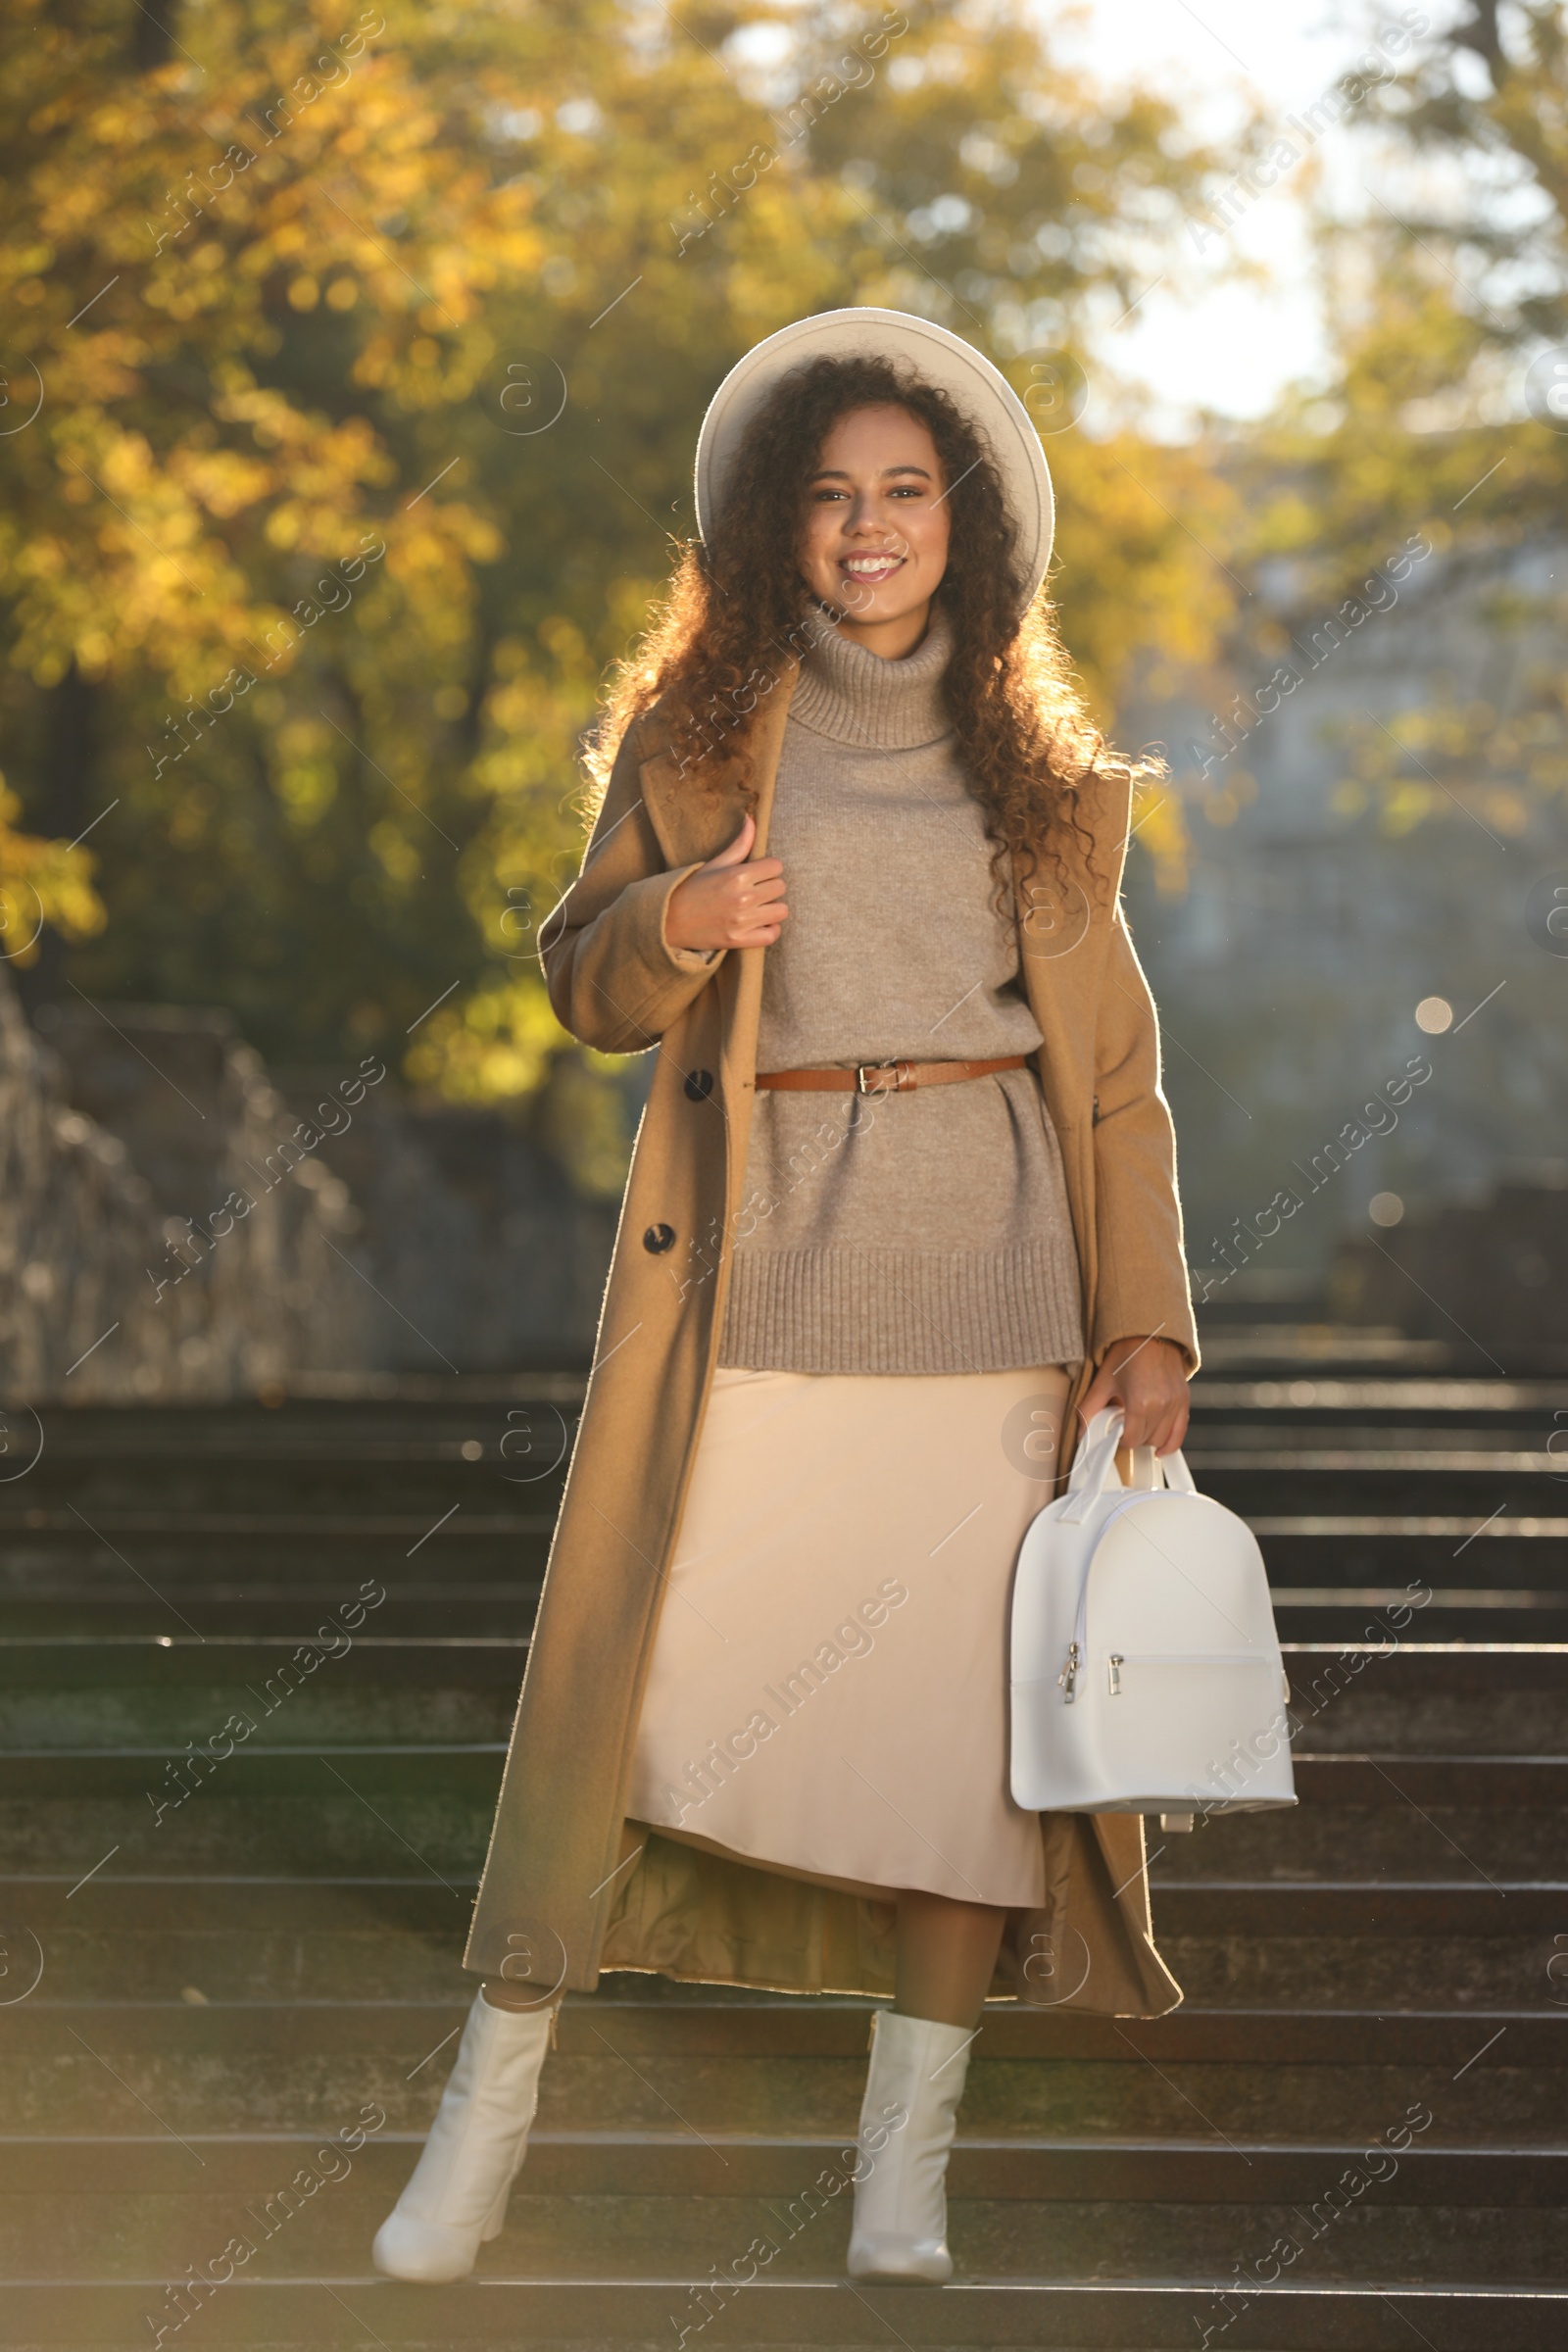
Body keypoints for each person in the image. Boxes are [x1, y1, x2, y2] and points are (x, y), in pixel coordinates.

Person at [372, 308, 1197, 2286]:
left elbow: (1110, 1079)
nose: (865, 527)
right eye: (829, 495)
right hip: (753, 1284)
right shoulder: (692, 738)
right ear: (775, 523)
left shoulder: (1043, 783)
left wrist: (1146, 1319)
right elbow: (580, 979)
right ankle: (473, 2146)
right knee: (622, 1714)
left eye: (904, 492)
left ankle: (900, 2184)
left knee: (951, 1760)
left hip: (993, 1304)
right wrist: (677, 917)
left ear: (964, 525)